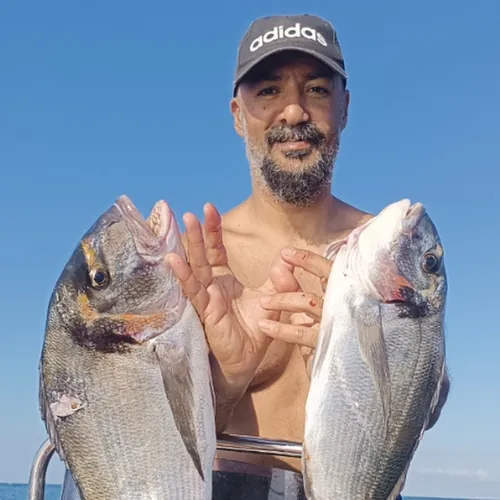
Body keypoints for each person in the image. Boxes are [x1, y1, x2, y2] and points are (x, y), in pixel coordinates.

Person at [166, 13, 450, 500]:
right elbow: (164, 446)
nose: (294, 111)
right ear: (238, 115)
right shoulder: (200, 263)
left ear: (345, 108)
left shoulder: (393, 255)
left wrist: (395, 368)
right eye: (268, 91)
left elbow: (428, 406)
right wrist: (226, 380)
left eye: (317, 89)